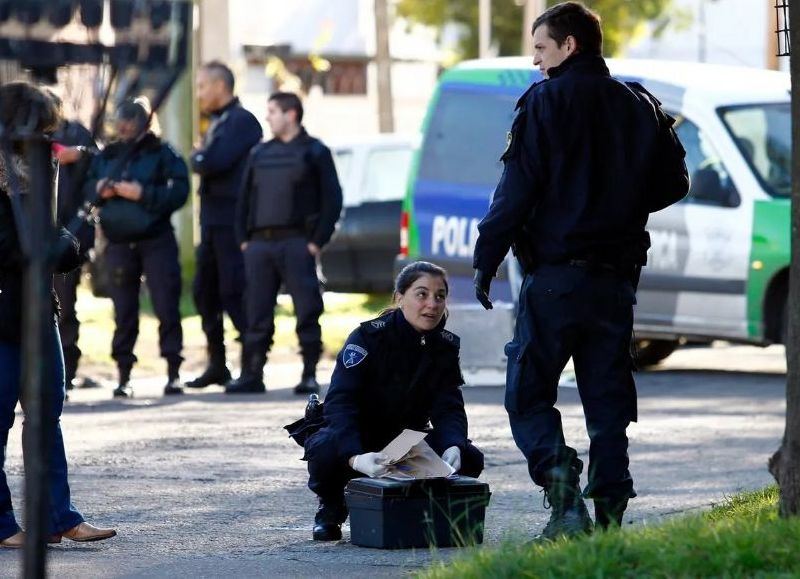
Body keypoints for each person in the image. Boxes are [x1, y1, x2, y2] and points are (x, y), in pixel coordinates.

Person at [472, 2, 689, 540]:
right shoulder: (639, 105)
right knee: (608, 399)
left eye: (541, 48)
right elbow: (674, 184)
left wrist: (486, 257)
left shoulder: (542, 103)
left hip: (555, 278)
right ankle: (610, 519)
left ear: (569, 46)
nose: (536, 61)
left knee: (527, 392)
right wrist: (619, 199)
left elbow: (515, 192)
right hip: (615, 281)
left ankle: (565, 501)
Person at [0, 81, 116, 548]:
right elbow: (15, 245)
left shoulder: (42, 168)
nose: (49, 139)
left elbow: (52, 239)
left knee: (47, 413)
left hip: (37, 306)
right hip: (2, 310)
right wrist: (52, 246)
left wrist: (61, 245)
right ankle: (4, 525)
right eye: (42, 128)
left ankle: (57, 517)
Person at [303, 261, 484, 541]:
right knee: (325, 448)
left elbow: (448, 406)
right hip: (359, 435)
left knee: (469, 457)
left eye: (440, 296)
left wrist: (453, 444)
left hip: (402, 441)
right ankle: (332, 506)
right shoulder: (368, 336)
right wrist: (355, 456)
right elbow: (341, 403)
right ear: (400, 298)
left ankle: (418, 508)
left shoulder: (444, 346)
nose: (432, 304)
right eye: (421, 294)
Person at [227, 91, 342, 395]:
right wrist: (243, 241)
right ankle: (252, 373)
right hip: (259, 245)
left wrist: (316, 242)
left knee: (307, 309)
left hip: (297, 242)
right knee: (256, 310)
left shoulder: (315, 151)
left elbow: (333, 201)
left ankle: (308, 373)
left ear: (291, 114)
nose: (268, 117)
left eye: (273, 111)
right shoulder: (259, 153)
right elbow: (244, 201)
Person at [83, 100, 189, 398]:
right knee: (124, 310)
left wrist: (143, 193)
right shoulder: (108, 155)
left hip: (156, 239)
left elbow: (179, 191)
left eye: (131, 123)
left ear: (144, 124)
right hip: (118, 242)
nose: (125, 128)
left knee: (166, 304)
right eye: (121, 123)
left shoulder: (162, 152)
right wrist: (99, 190)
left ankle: (173, 372)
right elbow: (86, 188)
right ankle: (124, 375)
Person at [186, 61, 263, 390]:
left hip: (234, 223)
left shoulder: (242, 121)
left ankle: (252, 368)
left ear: (220, 86)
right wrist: (201, 157)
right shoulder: (218, 122)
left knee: (235, 292)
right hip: (212, 224)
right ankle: (217, 363)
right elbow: (205, 160)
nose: (199, 94)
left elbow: (212, 161)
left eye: (203, 86)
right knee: (204, 292)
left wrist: (200, 157)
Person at [50, 92, 100, 392]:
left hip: (69, 232)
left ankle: (66, 373)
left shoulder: (76, 133)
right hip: (26, 234)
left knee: (64, 306)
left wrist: (78, 152)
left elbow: (99, 159)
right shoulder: (20, 136)